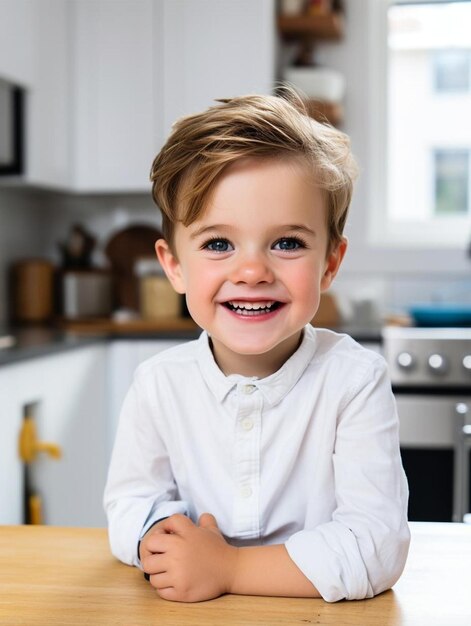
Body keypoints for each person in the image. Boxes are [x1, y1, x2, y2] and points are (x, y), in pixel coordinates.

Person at [103, 90, 410, 603]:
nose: (251, 272)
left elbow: (376, 547)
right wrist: (162, 539)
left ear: (330, 263)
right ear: (173, 264)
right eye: (218, 244)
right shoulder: (159, 383)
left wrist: (228, 569)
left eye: (287, 243)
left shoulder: (355, 381)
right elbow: (130, 505)